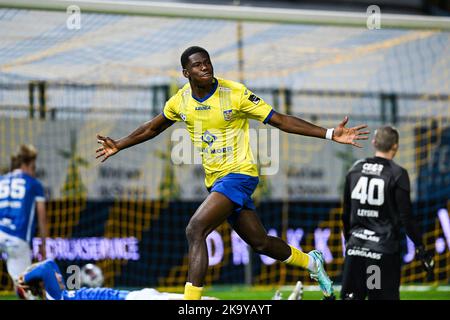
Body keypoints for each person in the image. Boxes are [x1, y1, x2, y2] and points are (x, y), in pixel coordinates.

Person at [96, 46, 369, 300]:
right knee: (260, 243)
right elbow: (152, 128)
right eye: (198, 65)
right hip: (216, 181)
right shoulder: (180, 101)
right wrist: (119, 144)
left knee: (195, 229)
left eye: (208, 62)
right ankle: (312, 262)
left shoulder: (235, 93)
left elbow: (281, 120)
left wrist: (331, 133)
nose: (205, 68)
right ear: (186, 73)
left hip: (240, 174)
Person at [341, 126, 435, 300]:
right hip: (381, 253)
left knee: (351, 298)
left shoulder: (355, 168)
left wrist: (350, 242)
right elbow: (406, 217)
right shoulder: (397, 173)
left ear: (374, 143)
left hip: (356, 252)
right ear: (395, 146)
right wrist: (421, 247)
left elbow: (346, 213)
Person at [16, 259, 218, 300]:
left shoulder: (59, 296)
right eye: (56, 279)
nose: (59, 278)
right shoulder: (57, 296)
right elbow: (47, 267)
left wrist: (26, 279)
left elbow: (48, 265)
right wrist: (27, 278)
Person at [0, 144, 47, 292]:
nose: (34, 171)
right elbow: (42, 217)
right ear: (26, 165)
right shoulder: (34, 184)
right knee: (22, 285)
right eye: (33, 167)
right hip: (18, 238)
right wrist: (43, 244)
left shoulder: (1, 180)